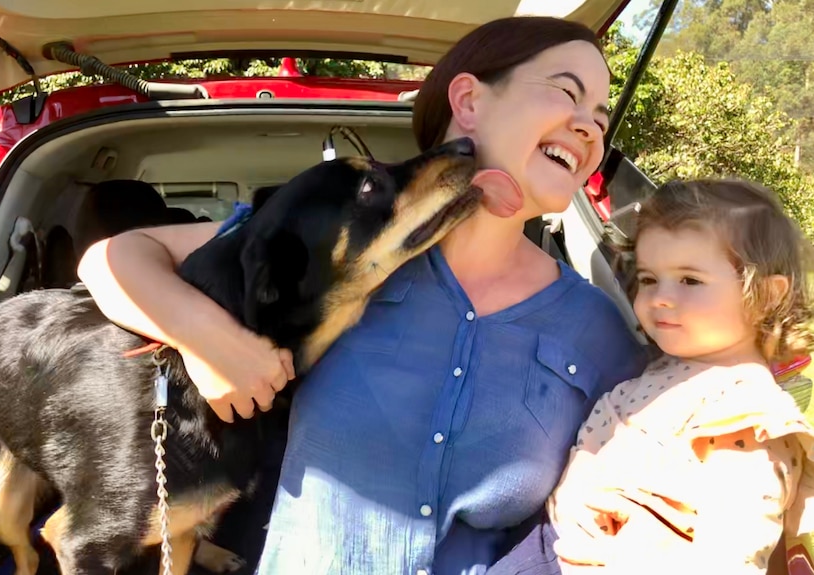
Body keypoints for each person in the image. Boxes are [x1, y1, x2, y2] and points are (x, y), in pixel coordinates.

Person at [77, 16, 647, 574]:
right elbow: (112, 260)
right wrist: (207, 340)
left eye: (601, 118)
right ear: (469, 101)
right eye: (567, 93)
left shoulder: (600, 326)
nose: (591, 127)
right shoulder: (324, 257)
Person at [490, 179, 814, 575]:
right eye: (648, 279)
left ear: (766, 295)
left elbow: (731, 554)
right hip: (546, 542)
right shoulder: (670, 369)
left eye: (690, 280)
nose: (659, 297)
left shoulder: (747, 413)